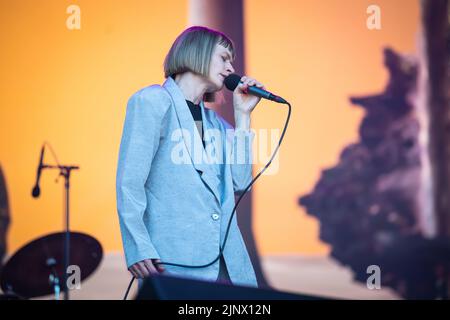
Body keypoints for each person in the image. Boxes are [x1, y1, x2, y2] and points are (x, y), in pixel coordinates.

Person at [116, 26, 265, 288]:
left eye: (232, 61)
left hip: (226, 269)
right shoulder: (153, 101)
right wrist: (137, 246)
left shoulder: (216, 123)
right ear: (198, 52)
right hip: (173, 264)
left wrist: (243, 116)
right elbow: (130, 182)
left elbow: (240, 182)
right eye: (224, 58)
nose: (231, 68)